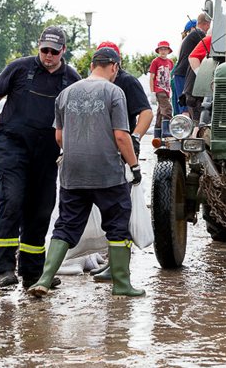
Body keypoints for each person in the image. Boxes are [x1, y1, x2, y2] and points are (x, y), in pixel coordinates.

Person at [28, 47, 145, 298]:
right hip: (108, 173)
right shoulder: (114, 92)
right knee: (117, 225)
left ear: (92, 65)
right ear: (114, 66)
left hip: (72, 173)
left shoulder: (66, 94)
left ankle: (45, 279)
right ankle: (122, 284)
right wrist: (134, 166)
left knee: (66, 226)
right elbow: (121, 136)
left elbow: (59, 137)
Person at [0, 27, 80, 288]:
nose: (48, 55)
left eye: (54, 52)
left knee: (41, 209)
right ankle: (3, 268)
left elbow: (79, 117)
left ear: (63, 51)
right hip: (13, 146)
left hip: (47, 152)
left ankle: (32, 272)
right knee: (11, 200)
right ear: (39, 46)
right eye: (44, 50)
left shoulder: (71, 78)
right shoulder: (19, 69)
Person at [86, 41, 152, 282]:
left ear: (116, 64)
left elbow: (146, 112)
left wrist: (134, 137)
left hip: (120, 151)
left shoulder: (127, 83)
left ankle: (119, 268)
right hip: (99, 153)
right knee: (106, 211)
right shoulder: (93, 84)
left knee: (120, 210)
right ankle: (112, 263)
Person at [173, 13, 210, 115]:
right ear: (207, 24)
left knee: (187, 105)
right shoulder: (198, 34)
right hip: (183, 74)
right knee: (185, 105)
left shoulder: (193, 35)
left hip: (183, 73)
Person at [149, 41, 174, 139]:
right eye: (161, 49)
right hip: (159, 89)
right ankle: (167, 131)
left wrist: (171, 90)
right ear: (158, 50)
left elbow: (170, 77)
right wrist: (152, 92)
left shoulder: (170, 62)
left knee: (160, 113)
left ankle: (157, 135)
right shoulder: (155, 62)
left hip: (166, 89)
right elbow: (151, 77)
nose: (163, 51)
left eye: (165, 49)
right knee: (167, 109)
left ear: (168, 50)